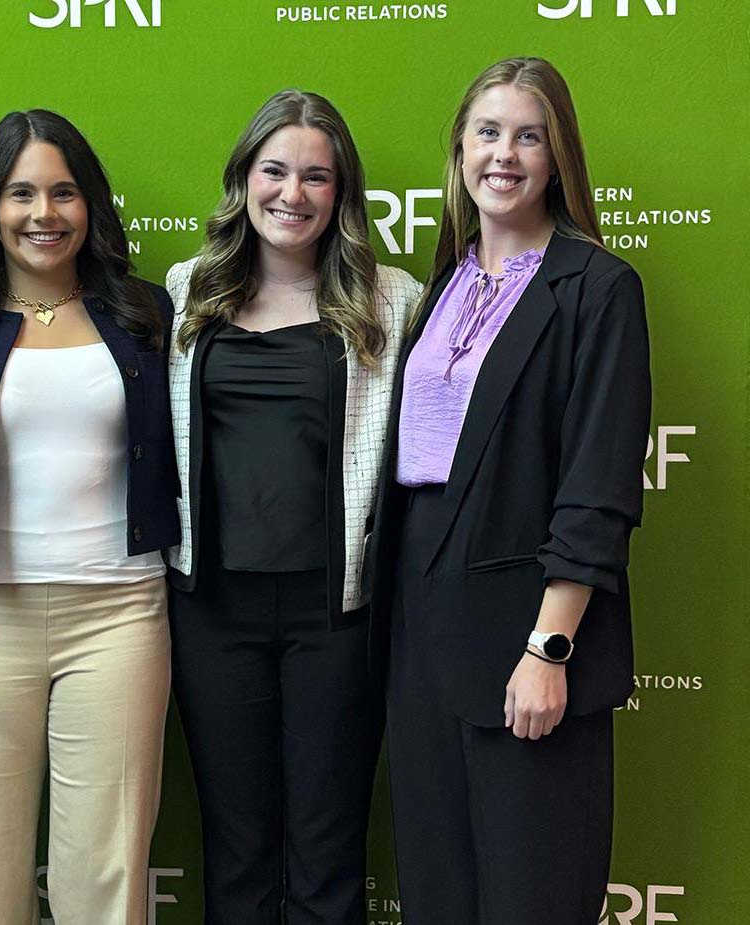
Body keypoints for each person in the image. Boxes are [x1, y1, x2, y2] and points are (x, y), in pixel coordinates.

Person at [368, 57, 652, 925]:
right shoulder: (442, 284)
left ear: (558, 155)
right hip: (420, 642)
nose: (505, 154)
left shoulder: (597, 288)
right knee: (438, 899)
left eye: (528, 135)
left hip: (527, 647)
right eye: (487, 133)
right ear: (459, 151)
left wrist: (549, 649)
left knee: (533, 900)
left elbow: (597, 485)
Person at [0, 110, 178, 925]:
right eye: (21, 193)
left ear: (90, 203)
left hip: (122, 612)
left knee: (107, 869)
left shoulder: (145, 313)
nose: (43, 213)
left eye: (63, 192)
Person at [164, 89, 421, 924]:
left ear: (342, 194)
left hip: (335, 614)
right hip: (212, 610)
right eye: (274, 170)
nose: (294, 193)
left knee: (327, 841)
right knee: (235, 846)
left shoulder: (394, 301)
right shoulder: (185, 292)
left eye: (317, 176)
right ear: (243, 181)